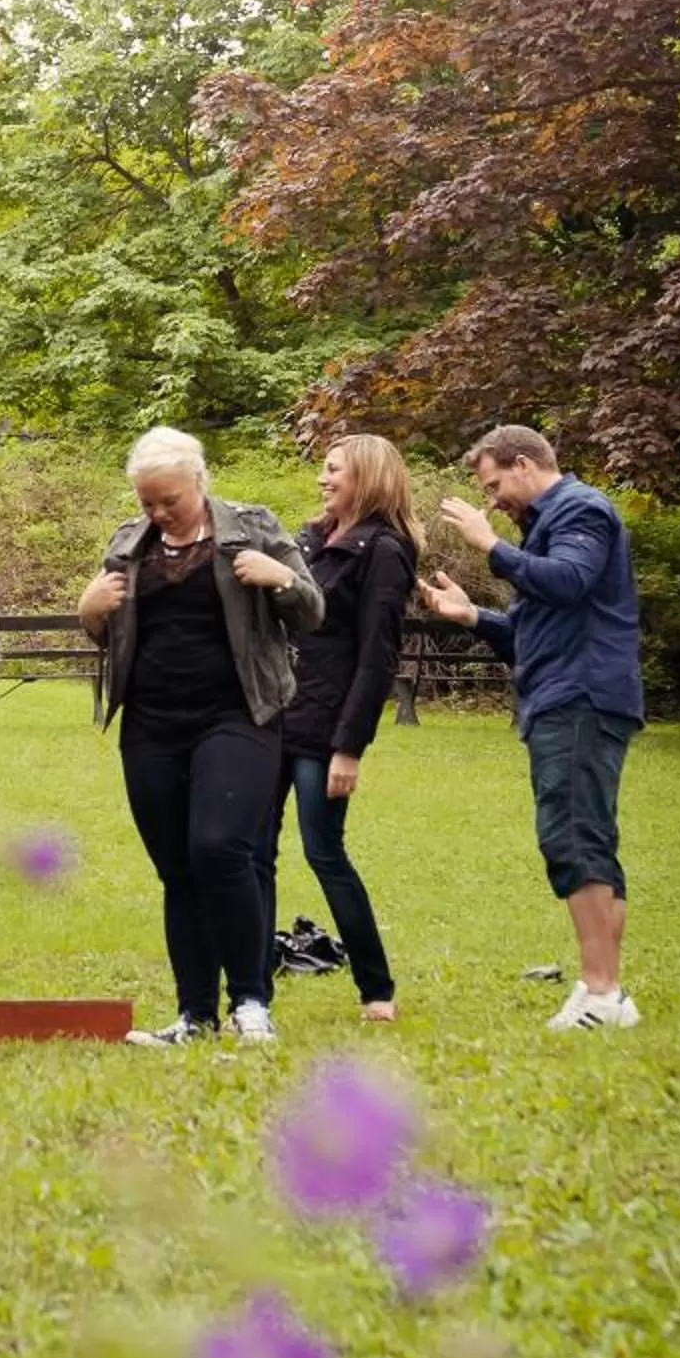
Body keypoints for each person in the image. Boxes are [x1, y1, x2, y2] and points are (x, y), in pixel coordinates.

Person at [78, 426, 323, 1048]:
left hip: (238, 715)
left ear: (199, 483)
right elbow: (107, 634)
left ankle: (250, 1002)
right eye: (147, 503)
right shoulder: (129, 545)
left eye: (169, 501)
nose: (158, 513)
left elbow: (313, 611)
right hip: (152, 724)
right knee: (178, 869)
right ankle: (194, 1015)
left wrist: (281, 578)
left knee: (220, 850)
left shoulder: (254, 527)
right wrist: (90, 609)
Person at [420, 422, 645, 1030]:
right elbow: (531, 631)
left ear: (524, 464)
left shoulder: (579, 510)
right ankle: (602, 987)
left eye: (495, 484)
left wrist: (490, 545)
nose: (493, 499)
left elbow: (569, 584)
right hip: (563, 693)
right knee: (585, 836)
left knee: (572, 837)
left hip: (582, 696)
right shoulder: (545, 528)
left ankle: (603, 992)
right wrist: (472, 616)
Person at [254, 434, 419, 1024]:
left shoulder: (385, 551)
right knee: (254, 853)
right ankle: (252, 988)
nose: (323, 479)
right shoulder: (309, 539)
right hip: (273, 715)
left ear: (367, 478)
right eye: (323, 469)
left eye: (334, 470)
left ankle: (377, 989)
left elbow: (377, 659)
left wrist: (349, 748)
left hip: (325, 729)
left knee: (324, 851)